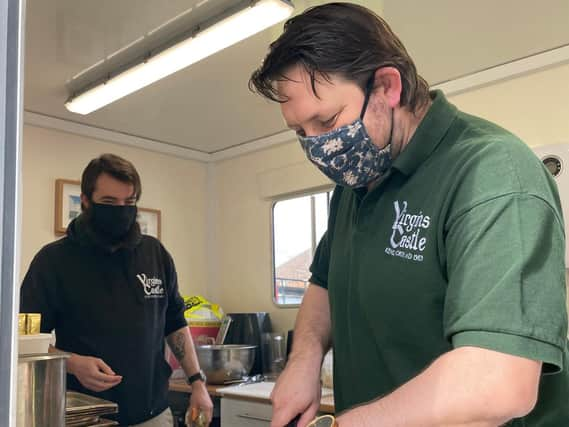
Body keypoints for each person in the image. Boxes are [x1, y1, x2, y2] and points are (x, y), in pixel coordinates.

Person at [249, 3, 569, 426]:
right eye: (300, 132)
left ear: (387, 87)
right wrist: (303, 362)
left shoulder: (493, 174)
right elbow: (324, 283)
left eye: (326, 120)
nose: (317, 146)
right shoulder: (352, 188)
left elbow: (498, 382)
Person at [20, 154, 213, 426]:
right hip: (87, 416)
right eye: (109, 203)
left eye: (129, 202)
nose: (121, 210)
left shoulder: (155, 253)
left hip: (153, 414)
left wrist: (197, 383)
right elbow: (23, 339)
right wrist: (72, 362)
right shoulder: (53, 261)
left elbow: (175, 323)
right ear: (86, 201)